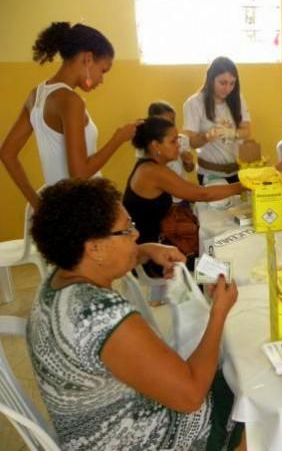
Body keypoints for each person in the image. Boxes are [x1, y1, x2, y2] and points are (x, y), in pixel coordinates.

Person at [27, 178, 245, 450]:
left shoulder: (56, 282)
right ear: (94, 248)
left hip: (91, 428)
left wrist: (143, 252)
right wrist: (218, 314)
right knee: (245, 396)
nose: (136, 235)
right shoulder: (101, 317)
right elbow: (191, 396)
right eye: (126, 230)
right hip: (134, 439)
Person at [0, 22, 137, 209]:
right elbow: (79, 174)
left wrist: (36, 203)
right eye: (103, 70)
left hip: (58, 207)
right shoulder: (71, 101)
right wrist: (118, 139)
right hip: (83, 208)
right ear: (88, 59)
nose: (102, 80)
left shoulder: (36, 94)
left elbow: (7, 153)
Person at [124, 116, 243, 250]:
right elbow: (202, 194)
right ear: (155, 145)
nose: (179, 145)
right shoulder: (151, 171)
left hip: (154, 242)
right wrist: (243, 185)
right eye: (173, 141)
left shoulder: (151, 167)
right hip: (145, 249)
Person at [183, 56, 250, 185]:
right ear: (210, 79)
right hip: (210, 173)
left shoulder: (237, 98)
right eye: (223, 83)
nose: (228, 89)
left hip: (237, 171)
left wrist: (232, 133)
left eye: (232, 83)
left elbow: (247, 131)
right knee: (216, 205)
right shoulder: (194, 103)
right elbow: (192, 142)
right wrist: (206, 137)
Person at [147, 101, 195, 202]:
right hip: (162, 200)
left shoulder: (183, 140)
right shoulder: (148, 148)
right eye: (165, 122)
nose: (171, 125)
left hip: (182, 196)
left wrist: (188, 162)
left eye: (173, 121)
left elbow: (190, 169)